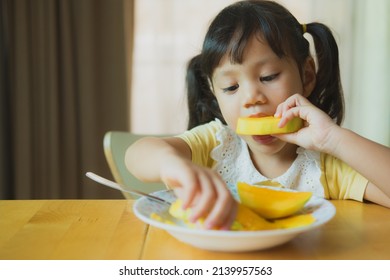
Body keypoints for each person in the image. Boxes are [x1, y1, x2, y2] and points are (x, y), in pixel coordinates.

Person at [125, 0, 390, 230]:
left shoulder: (326, 166)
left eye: (268, 77)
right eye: (231, 87)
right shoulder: (216, 144)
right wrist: (172, 165)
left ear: (307, 76)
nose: (252, 98)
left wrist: (333, 139)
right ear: (214, 91)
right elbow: (136, 155)